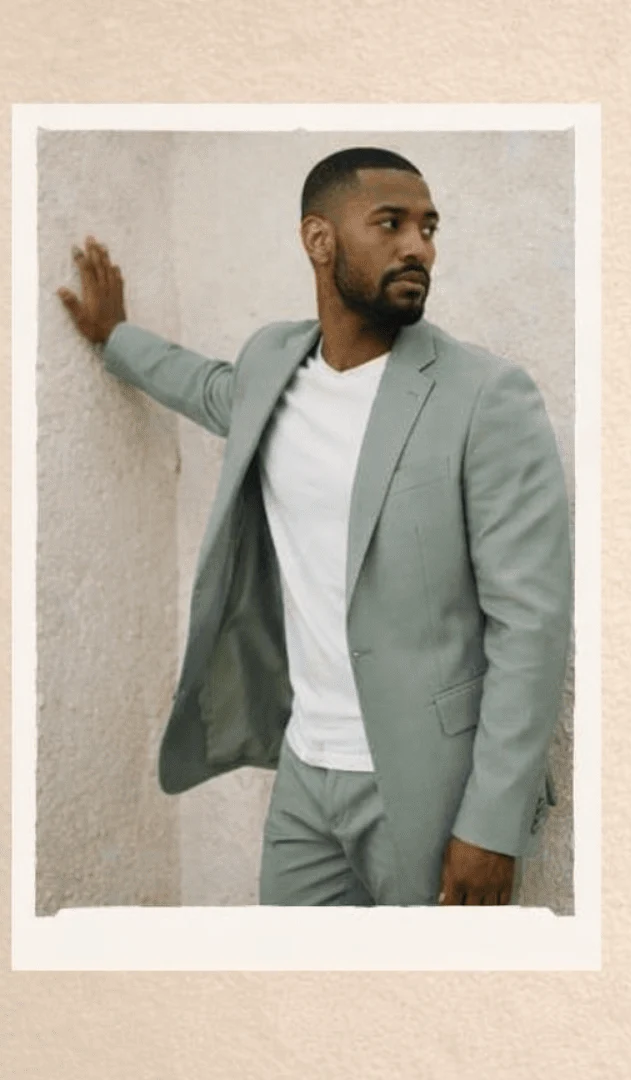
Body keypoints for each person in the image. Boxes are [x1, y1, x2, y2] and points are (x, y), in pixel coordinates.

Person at [56, 147, 572, 906]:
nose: (418, 247)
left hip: (425, 782)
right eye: (390, 224)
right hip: (304, 771)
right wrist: (114, 338)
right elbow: (209, 389)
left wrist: (491, 826)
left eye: (429, 228)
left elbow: (531, 622)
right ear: (319, 239)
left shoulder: (484, 396)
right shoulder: (275, 363)